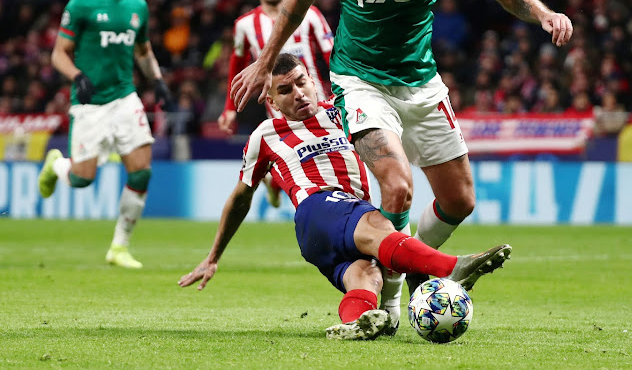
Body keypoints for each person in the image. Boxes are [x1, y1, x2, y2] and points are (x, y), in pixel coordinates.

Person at [230, 0, 571, 329]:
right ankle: (391, 299)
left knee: (460, 201)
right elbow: (298, 0)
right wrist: (264, 62)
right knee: (397, 184)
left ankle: (409, 261)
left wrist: (544, 15)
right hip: (359, 81)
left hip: (421, 83)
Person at [179, 54, 511, 340]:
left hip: (339, 230)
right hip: (318, 209)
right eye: (285, 90)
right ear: (272, 101)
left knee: (368, 276)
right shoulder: (264, 136)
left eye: (301, 83)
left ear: (312, 80)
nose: (298, 94)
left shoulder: (343, 112)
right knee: (380, 223)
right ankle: (453, 267)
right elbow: (240, 197)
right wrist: (213, 256)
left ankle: (358, 321)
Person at [37, 0, 173, 269]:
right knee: (82, 180)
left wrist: (156, 79)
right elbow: (59, 53)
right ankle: (57, 164)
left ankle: (119, 247)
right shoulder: (81, 4)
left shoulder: (138, 6)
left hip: (126, 98)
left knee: (141, 173)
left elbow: (142, 49)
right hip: (90, 104)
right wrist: (77, 76)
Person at [218, 0, 334, 207]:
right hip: (280, 112)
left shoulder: (311, 14)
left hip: (322, 105)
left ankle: (281, 183)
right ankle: (276, 181)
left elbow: (331, 54)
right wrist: (229, 109)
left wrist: (342, 89)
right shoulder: (245, 25)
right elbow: (237, 67)